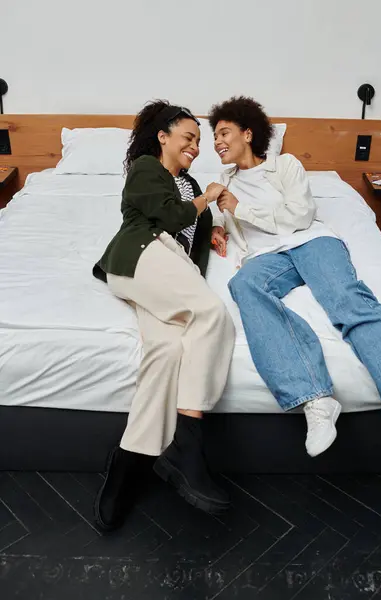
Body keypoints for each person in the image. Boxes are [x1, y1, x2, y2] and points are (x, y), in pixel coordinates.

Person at [208, 96, 381, 472]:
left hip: (310, 241)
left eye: (224, 132)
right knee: (244, 286)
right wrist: (219, 225)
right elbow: (235, 225)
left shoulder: (286, 166)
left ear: (248, 133)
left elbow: (300, 215)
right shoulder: (223, 183)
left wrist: (238, 209)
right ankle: (315, 397)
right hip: (268, 258)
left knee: (346, 301)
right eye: (214, 135)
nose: (217, 141)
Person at [92, 101, 236, 531]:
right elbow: (172, 217)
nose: (195, 146)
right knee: (211, 313)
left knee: (168, 350)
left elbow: (190, 234)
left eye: (198, 140)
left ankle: (126, 468)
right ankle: (186, 446)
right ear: (163, 136)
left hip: (166, 269)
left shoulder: (188, 184)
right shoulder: (146, 170)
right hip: (143, 255)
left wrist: (212, 228)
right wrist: (206, 199)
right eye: (188, 137)